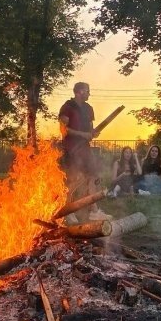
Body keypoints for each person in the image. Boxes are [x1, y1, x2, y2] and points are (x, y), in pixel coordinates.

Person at [59, 82, 110, 220]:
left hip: (85, 149)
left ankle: (94, 211)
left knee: (92, 176)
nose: (89, 94)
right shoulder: (67, 107)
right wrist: (83, 134)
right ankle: (68, 212)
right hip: (71, 148)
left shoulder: (89, 108)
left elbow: (90, 129)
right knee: (73, 180)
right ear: (79, 91)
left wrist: (93, 133)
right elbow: (63, 130)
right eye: (87, 91)